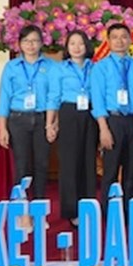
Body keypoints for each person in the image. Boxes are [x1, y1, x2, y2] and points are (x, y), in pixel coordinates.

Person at [0, 25, 57, 229]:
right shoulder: (12, 67)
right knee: (22, 167)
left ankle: (39, 213)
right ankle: (22, 213)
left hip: (41, 119)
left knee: (41, 166)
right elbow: (4, 97)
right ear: (19, 44)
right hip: (18, 120)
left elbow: (53, 97)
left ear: (42, 43)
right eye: (26, 41)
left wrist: (51, 124)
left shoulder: (51, 66)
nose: (31, 45)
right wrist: (2, 128)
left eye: (35, 41)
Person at [47, 30, 97, 227]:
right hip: (68, 113)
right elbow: (53, 97)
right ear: (67, 48)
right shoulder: (59, 69)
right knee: (69, 163)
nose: (77, 47)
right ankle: (71, 209)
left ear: (87, 46)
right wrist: (50, 124)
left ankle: (88, 207)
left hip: (90, 114)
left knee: (88, 161)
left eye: (81, 43)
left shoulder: (94, 68)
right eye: (72, 43)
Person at [90, 23, 133, 211]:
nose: (120, 41)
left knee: (132, 170)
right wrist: (103, 129)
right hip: (112, 121)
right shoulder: (100, 68)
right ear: (108, 41)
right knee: (110, 170)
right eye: (115, 37)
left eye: (123, 37)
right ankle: (107, 211)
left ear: (130, 40)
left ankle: (129, 212)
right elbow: (98, 100)